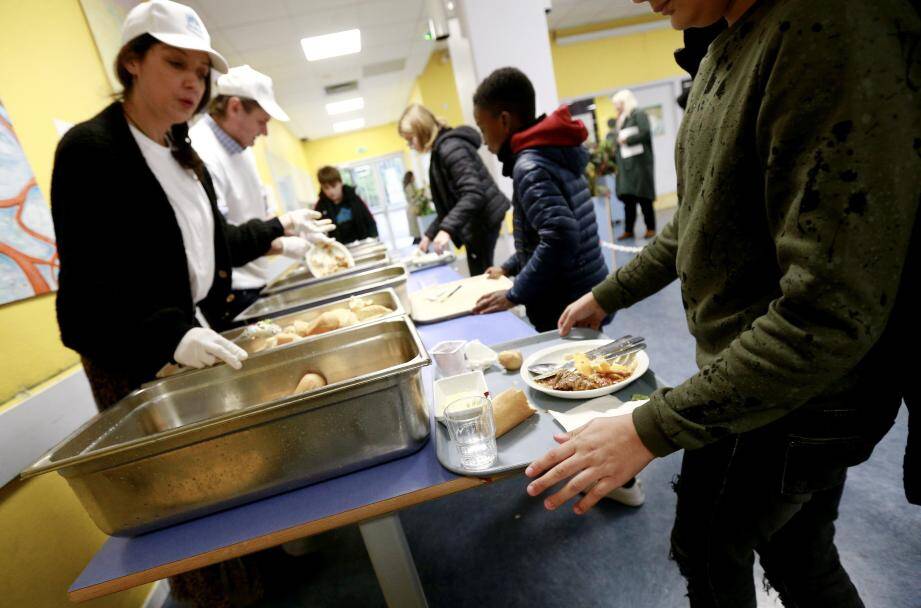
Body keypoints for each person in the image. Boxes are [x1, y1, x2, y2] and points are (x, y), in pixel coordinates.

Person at [528, 1, 921, 607]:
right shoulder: (721, 49)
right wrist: (607, 294)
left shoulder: (825, 28)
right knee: (798, 553)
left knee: (708, 548)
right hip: (756, 379)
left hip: (804, 395)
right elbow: (695, 221)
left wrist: (649, 428)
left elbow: (827, 312)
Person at [50, 0, 327, 409]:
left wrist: (279, 230)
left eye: (200, 73)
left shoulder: (184, 155)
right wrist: (171, 337)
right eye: (175, 64)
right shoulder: (92, 151)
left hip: (194, 336)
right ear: (132, 62)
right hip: (132, 361)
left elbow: (219, 245)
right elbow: (86, 298)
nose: (193, 83)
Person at [470, 69, 610, 333]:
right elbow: (545, 233)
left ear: (503, 120)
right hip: (584, 289)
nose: (483, 139)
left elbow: (560, 236)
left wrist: (513, 294)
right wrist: (508, 267)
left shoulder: (529, 166)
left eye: (482, 126)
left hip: (565, 303)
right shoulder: (550, 151)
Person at [191, 64, 334, 321]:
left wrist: (295, 230)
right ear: (235, 107)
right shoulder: (203, 152)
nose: (264, 132)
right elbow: (226, 244)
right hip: (232, 292)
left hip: (256, 281)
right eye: (261, 121)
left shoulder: (242, 150)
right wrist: (283, 243)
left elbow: (257, 217)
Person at [398, 103, 509, 276]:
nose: (410, 145)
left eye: (410, 139)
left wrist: (447, 229)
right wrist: (429, 234)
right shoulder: (440, 149)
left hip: (483, 217)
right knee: (479, 272)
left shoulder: (450, 148)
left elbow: (473, 193)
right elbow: (448, 205)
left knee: (481, 273)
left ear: (422, 131)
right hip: (476, 218)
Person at [611, 89, 656, 240]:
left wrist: (627, 140)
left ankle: (650, 228)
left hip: (640, 166)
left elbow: (645, 133)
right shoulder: (622, 119)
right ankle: (628, 230)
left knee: (645, 199)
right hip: (626, 168)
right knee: (628, 200)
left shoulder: (639, 114)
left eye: (619, 104)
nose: (617, 108)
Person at [313, 166, 379, 245]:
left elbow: (370, 221)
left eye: (334, 186)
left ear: (340, 183)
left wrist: (373, 240)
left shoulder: (355, 199)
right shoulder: (320, 207)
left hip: (363, 244)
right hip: (337, 249)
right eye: (326, 188)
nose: (331, 191)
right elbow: (317, 233)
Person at [403, 170, 422, 240]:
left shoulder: (411, 185)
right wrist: (420, 194)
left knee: (416, 229)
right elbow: (413, 198)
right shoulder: (409, 186)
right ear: (410, 177)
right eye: (413, 176)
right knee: (416, 229)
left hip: (412, 209)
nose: (415, 177)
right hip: (413, 209)